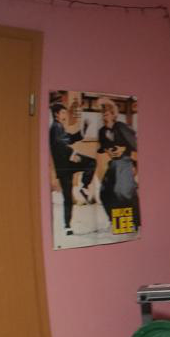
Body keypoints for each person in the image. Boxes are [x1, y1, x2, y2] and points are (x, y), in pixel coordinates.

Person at [48, 101, 96, 236]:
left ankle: (67, 227)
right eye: (63, 112)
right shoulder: (55, 127)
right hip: (67, 165)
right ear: (57, 114)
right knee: (91, 162)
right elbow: (60, 144)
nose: (65, 114)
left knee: (67, 198)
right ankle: (84, 186)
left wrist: (84, 127)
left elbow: (70, 138)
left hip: (64, 167)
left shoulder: (59, 128)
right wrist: (73, 154)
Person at [95, 98, 139, 231]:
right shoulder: (102, 131)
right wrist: (107, 150)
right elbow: (103, 147)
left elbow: (135, 144)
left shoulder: (121, 126)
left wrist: (123, 149)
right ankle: (116, 221)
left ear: (114, 114)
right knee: (104, 192)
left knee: (122, 192)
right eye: (103, 113)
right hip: (113, 164)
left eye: (108, 113)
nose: (105, 115)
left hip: (125, 162)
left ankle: (135, 222)